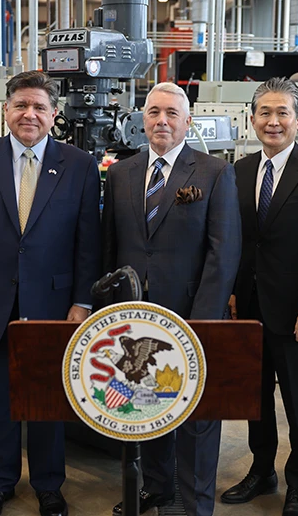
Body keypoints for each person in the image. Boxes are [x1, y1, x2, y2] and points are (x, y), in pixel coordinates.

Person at [0, 70, 101, 516]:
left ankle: (49, 486)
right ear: (5, 110)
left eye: (39, 107)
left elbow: (88, 241)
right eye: (21, 105)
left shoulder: (80, 165)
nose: (29, 114)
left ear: (54, 114)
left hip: (54, 305)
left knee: (49, 400)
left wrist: (82, 302)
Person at [104, 82, 241, 516]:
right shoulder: (121, 173)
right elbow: (111, 246)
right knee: (148, 406)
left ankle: (195, 503)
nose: (161, 121)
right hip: (136, 316)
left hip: (190, 315)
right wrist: (112, 312)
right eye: (153, 112)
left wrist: (203, 321)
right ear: (142, 119)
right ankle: (158, 487)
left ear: (187, 122)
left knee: (197, 416)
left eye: (171, 113)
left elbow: (224, 252)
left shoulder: (214, 172)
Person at [220, 77, 298, 516]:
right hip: (249, 308)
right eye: (265, 113)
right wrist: (232, 292)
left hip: (296, 313)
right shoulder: (239, 171)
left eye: (282, 113)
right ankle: (261, 471)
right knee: (255, 400)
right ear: (252, 119)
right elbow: (236, 240)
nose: (273, 122)